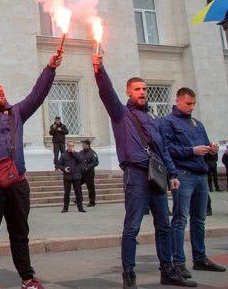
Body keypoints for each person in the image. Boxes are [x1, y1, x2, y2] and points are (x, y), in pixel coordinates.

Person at [0, 52, 63, 289]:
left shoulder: (16, 113)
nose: (1, 89)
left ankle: (28, 279)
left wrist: (50, 68)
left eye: (2, 87)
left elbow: (37, 95)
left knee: (20, 234)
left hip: (17, 182)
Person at [91, 53, 193, 288]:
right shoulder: (120, 114)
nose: (142, 92)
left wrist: (173, 174)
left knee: (164, 225)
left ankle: (167, 271)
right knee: (133, 226)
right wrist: (99, 69)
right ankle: (129, 275)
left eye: (144, 89)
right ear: (128, 92)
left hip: (156, 176)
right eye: (137, 89)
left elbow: (162, 148)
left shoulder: (152, 118)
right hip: (135, 175)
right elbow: (106, 92)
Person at [161, 87, 226, 279]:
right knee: (180, 219)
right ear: (178, 101)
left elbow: (204, 145)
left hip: (201, 175)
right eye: (188, 104)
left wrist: (211, 149)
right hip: (183, 174)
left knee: (200, 219)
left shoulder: (197, 123)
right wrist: (191, 151)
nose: (191, 107)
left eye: (193, 104)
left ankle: (200, 258)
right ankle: (178, 262)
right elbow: (167, 149)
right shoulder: (168, 122)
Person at [57, 141, 85, 213]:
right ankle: (65, 208)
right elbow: (59, 164)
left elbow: (81, 160)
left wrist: (74, 153)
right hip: (67, 177)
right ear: (67, 146)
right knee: (67, 193)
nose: (71, 147)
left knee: (78, 192)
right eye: (69, 146)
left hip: (76, 176)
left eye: (72, 146)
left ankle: (80, 208)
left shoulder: (77, 154)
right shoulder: (63, 155)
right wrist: (64, 169)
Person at [79, 139, 99, 207]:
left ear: (87, 145)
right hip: (81, 173)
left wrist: (87, 167)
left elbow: (96, 162)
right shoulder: (81, 152)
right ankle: (79, 199)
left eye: (83, 144)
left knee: (90, 187)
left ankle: (92, 202)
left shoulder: (92, 153)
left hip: (89, 173)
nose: (82, 145)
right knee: (77, 184)